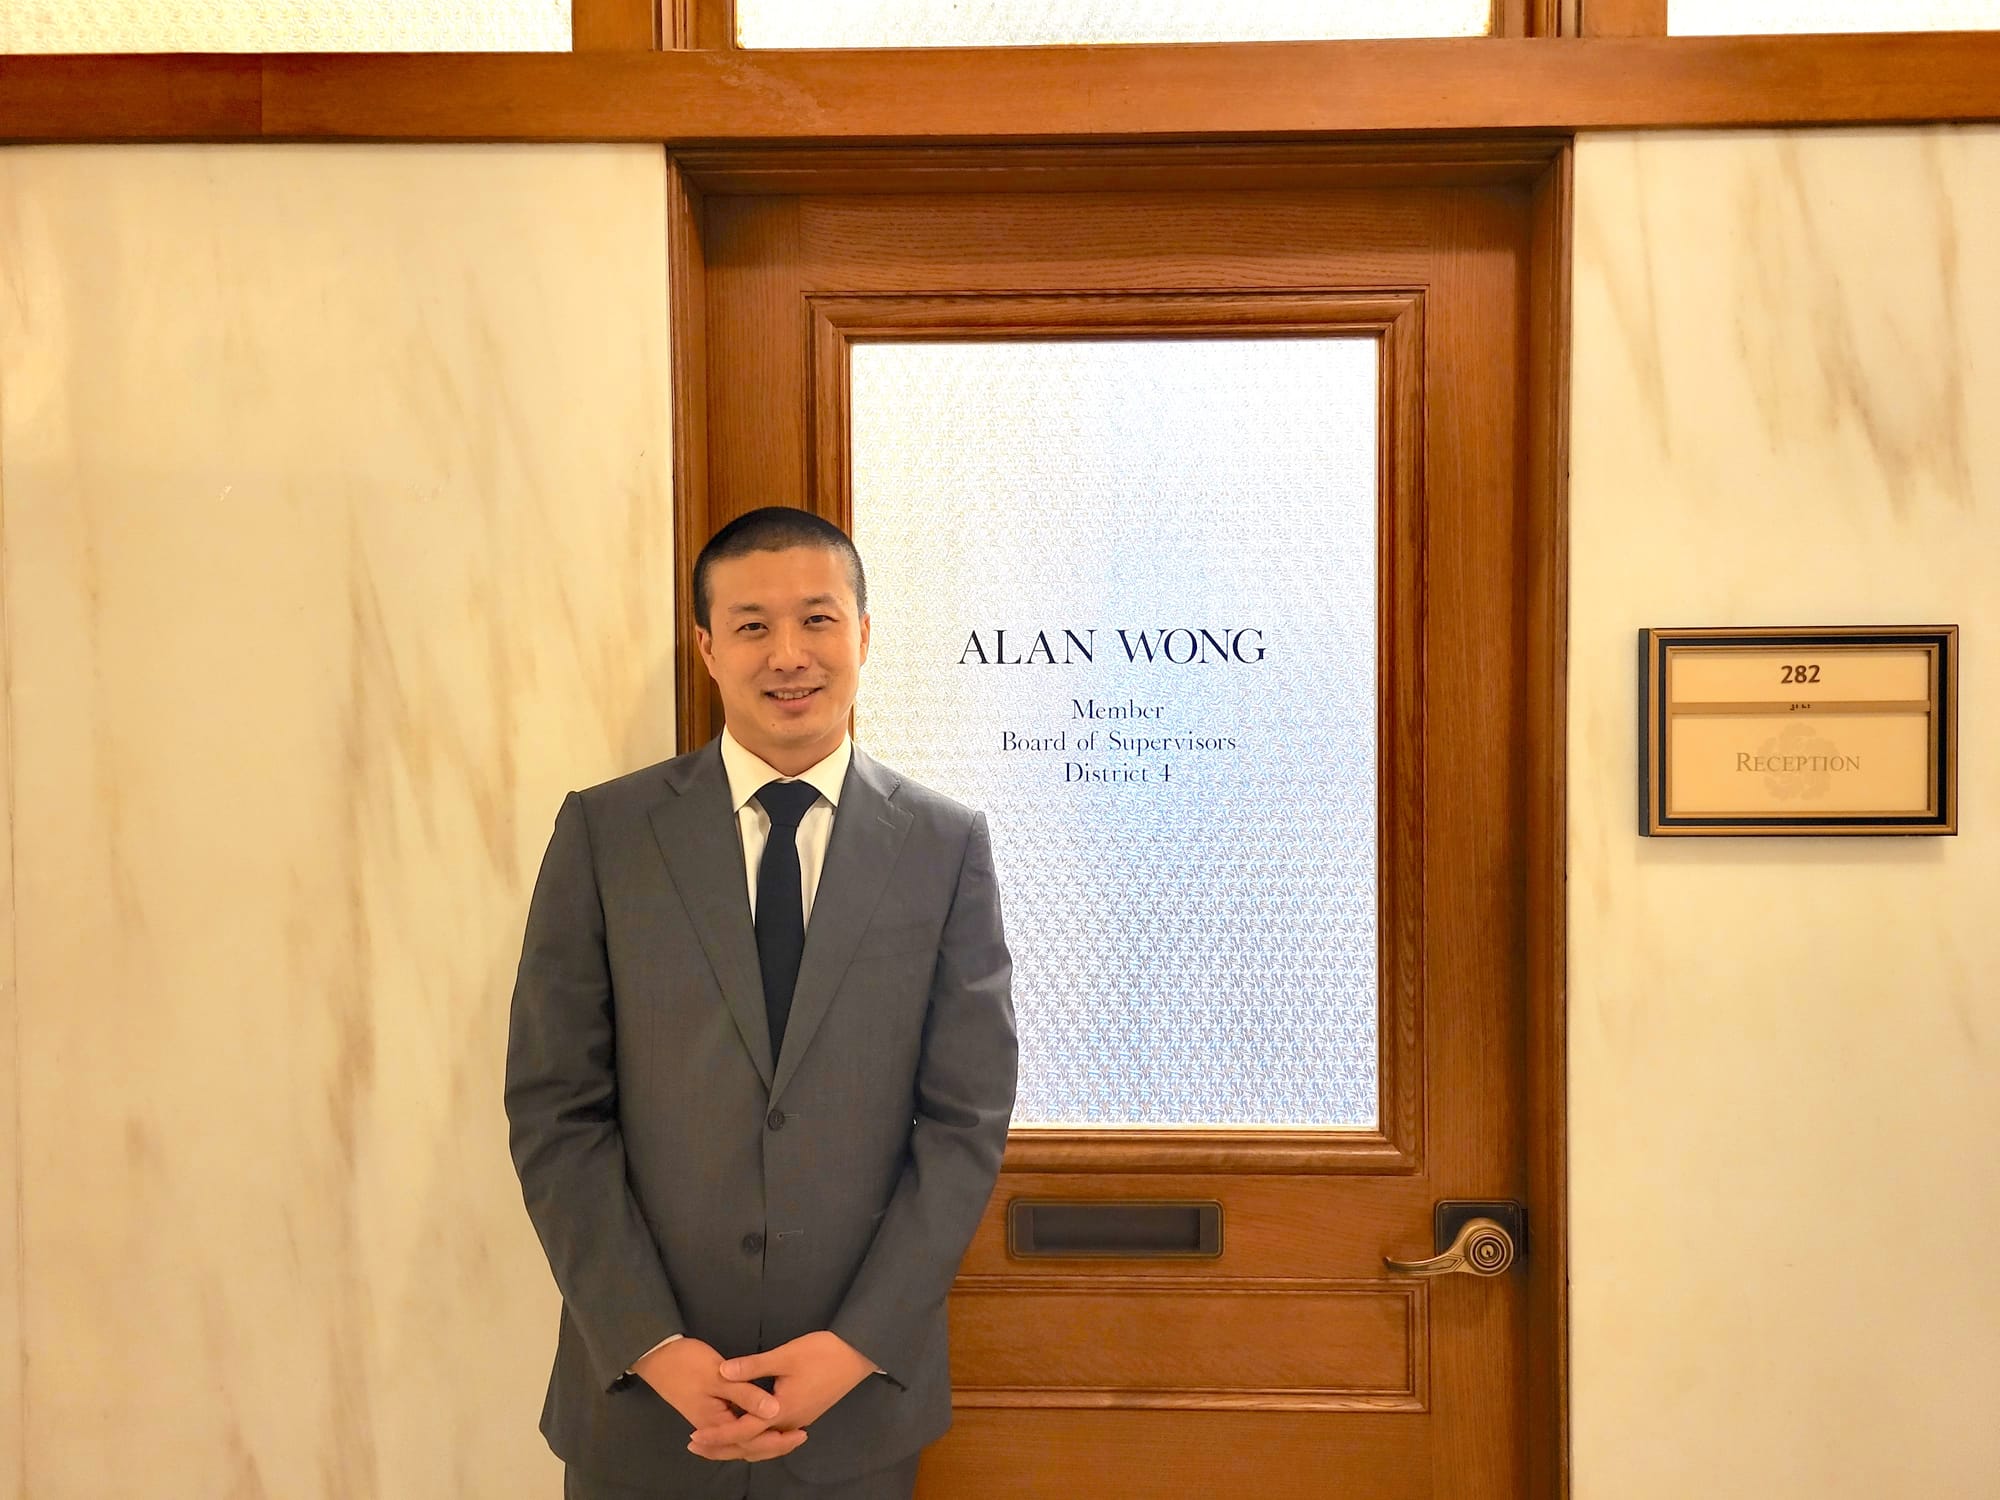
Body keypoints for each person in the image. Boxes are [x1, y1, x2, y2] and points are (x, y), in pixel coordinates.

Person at [506, 507, 1017, 1500]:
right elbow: (553, 1109)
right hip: (641, 1400)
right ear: (705, 647)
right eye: (750, 625)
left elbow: (964, 1123)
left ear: (863, 633)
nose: (788, 654)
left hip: (855, 1407)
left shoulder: (944, 845)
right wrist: (651, 1343)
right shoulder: (606, 835)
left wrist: (857, 1344)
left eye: (817, 619)